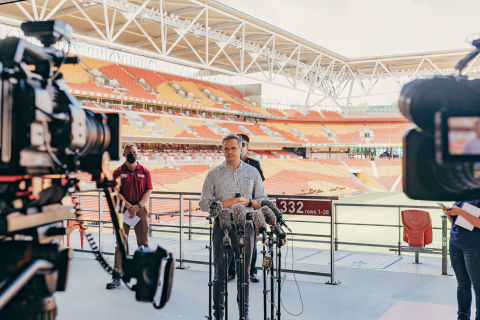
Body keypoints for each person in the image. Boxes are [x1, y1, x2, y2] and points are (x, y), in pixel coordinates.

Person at [199, 134, 267, 320]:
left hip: (246, 227)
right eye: (226, 149)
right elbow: (204, 204)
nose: (229, 152)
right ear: (222, 151)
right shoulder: (213, 174)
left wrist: (249, 201)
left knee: (244, 278)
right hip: (222, 228)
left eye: (233, 148)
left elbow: (262, 200)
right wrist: (224, 203)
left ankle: (243, 316)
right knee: (220, 275)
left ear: (241, 148)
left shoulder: (253, 172)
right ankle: (218, 316)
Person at [106, 143, 153, 289]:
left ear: (137, 153)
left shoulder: (145, 171)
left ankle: (144, 276)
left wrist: (138, 205)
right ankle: (117, 276)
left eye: (134, 152)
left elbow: (148, 191)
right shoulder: (118, 172)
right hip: (122, 212)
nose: (132, 154)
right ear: (124, 154)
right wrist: (127, 205)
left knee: (143, 244)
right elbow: (114, 190)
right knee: (120, 245)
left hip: (140, 211)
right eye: (129, 152)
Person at [228, 134, 265, 283]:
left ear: (247, 146)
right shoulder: (228, 162)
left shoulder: (254, 164)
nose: (241, 147)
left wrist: (253, 203)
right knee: (231, 240)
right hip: (234, 207)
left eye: (243, 144)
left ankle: (252, 271)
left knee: (251, 243)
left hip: (250, 207)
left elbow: (260, 187)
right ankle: (231, 271)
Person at [442, 201, 480, 320]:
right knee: (462, 285)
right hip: (455, 244)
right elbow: (456, 223)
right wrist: (449, 213)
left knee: (478, 288)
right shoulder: (462, 194)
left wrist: (461, 212)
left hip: (473, 247)